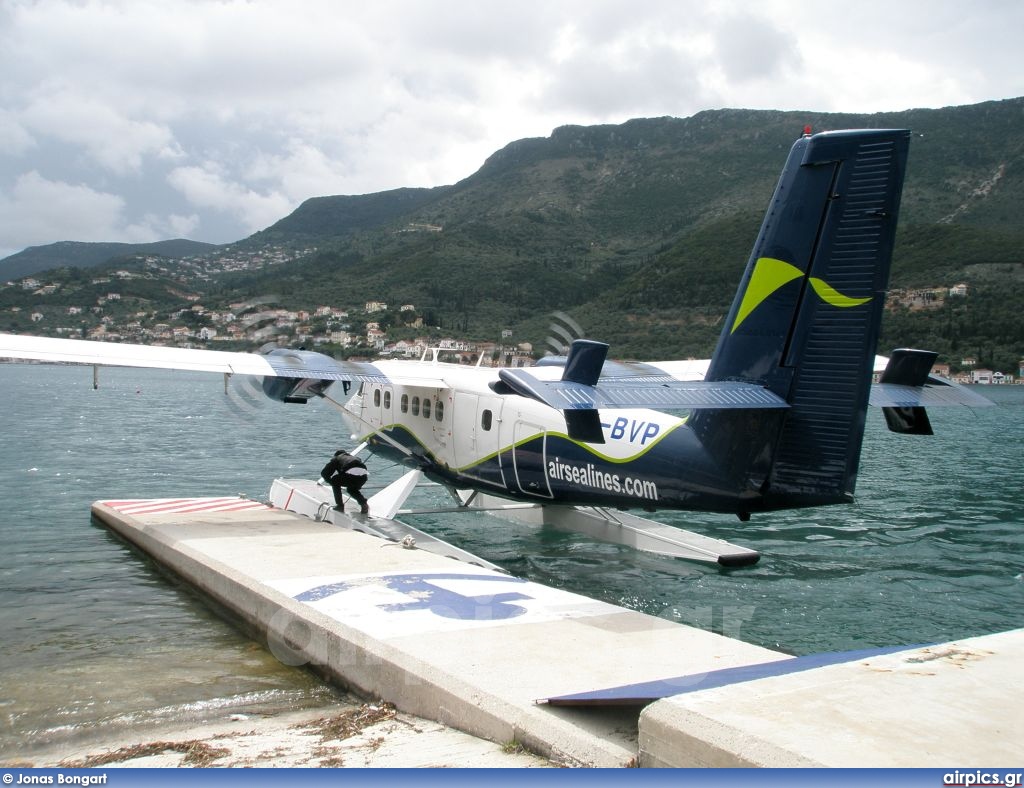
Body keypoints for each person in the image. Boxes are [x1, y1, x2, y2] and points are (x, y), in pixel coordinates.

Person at [320, 449, 370, 514]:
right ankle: (363, 504)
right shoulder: (355, 458)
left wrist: (331, 482)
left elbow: (324, 473)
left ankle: (340, 505)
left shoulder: (337, 458)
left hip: (350, 474)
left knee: (335, 480)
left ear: (336, 455)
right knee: (351, 489)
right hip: (363, 477)